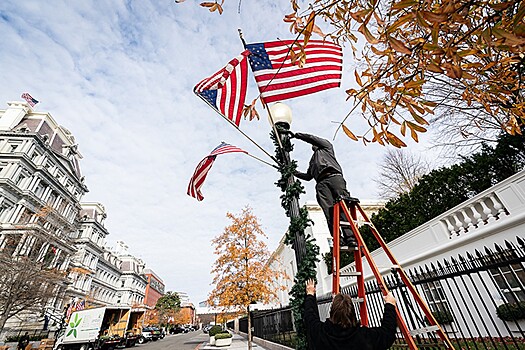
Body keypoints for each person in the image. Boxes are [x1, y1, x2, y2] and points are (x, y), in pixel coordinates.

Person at [288, 131, 357, 246]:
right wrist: (293, 172)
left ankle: (350, 237)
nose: (313, 145)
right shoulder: (312, 161)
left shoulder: (327, 147)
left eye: (314, 143)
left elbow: (311, 137)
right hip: (321, 184)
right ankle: (337, 238)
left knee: (342, 208)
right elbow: (308, 176)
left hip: (334, 178)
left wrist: (296, 135)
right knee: (328, 212)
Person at [304, 279, 397, 350]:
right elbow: (388, 332)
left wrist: (310, 293)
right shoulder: (365, 337)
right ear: (352, 312)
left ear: (332, 312)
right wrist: (390, 305)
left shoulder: (320, 333)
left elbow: (310, 315)